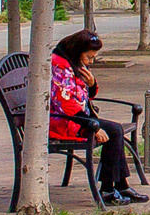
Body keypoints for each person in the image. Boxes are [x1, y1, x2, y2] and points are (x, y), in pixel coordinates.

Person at [50, 30, 144, 205]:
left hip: (77, 118)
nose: (91, 61)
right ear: (78, 51)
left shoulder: (74, 64)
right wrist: (91, 126)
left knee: (115, 130)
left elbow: (84, 97)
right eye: (89, 57)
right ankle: (109, 189)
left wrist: (92, 84)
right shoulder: (60, 67)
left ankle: (118, 186)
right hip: (63, 122)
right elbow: (66, 104)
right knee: (113, 131)